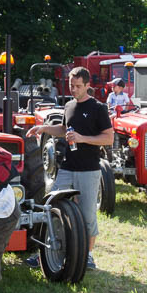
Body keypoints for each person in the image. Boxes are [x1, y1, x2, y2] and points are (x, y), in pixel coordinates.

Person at [26, 67, 113, 269]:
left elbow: (109, 138)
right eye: (71, 86)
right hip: (67, 168)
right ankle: (43, 254)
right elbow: (64, 130)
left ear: (88, 85)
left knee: (88, 216)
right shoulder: (69, 106)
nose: (73, 89)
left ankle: (88, 256)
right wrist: (44, 128)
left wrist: (83, 139)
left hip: (89, 170)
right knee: (51, 208)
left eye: (78, 86)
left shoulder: (98, 108)